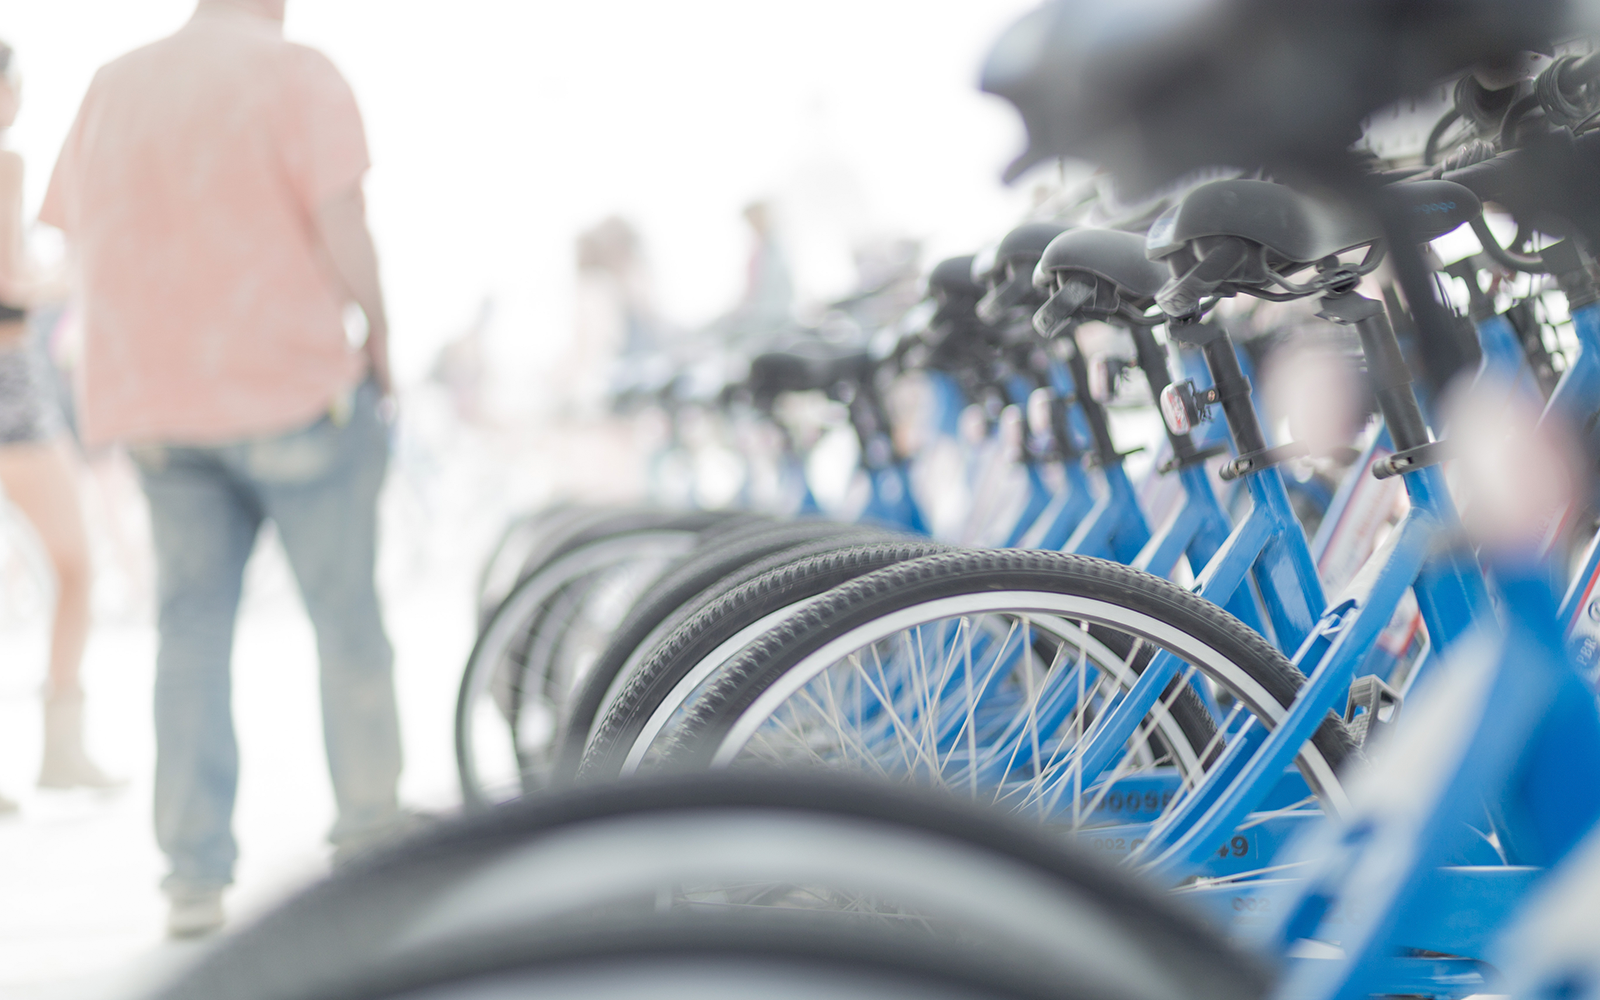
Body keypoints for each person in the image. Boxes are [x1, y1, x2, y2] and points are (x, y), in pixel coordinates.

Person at [40, 0, 403, 938]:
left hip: (158, 410)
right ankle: (370, 845)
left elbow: (78, 243)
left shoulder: (111, 87)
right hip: (292, 392)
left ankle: (193, 880)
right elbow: (342, 222)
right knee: (347, 623)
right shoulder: (298, 72)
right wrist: (382, 338)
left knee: (190, 637)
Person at [0, 41, 118, 809]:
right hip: (11, 392)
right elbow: (10, 292)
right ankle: (60, 749)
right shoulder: (5, 166)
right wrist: (75, 274)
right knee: (75, 565)